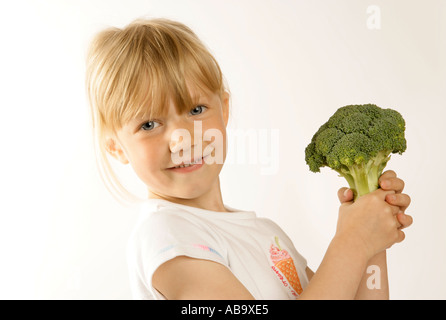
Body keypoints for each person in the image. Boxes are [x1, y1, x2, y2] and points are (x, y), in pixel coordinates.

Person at [85, 18, 413, 300]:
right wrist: (352, 241)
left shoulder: (264, 234)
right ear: (116, 148)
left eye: (196, 110)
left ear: (223, 109)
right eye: (149, 124)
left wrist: (372, 240)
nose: (181, 138)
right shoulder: (166, 237)